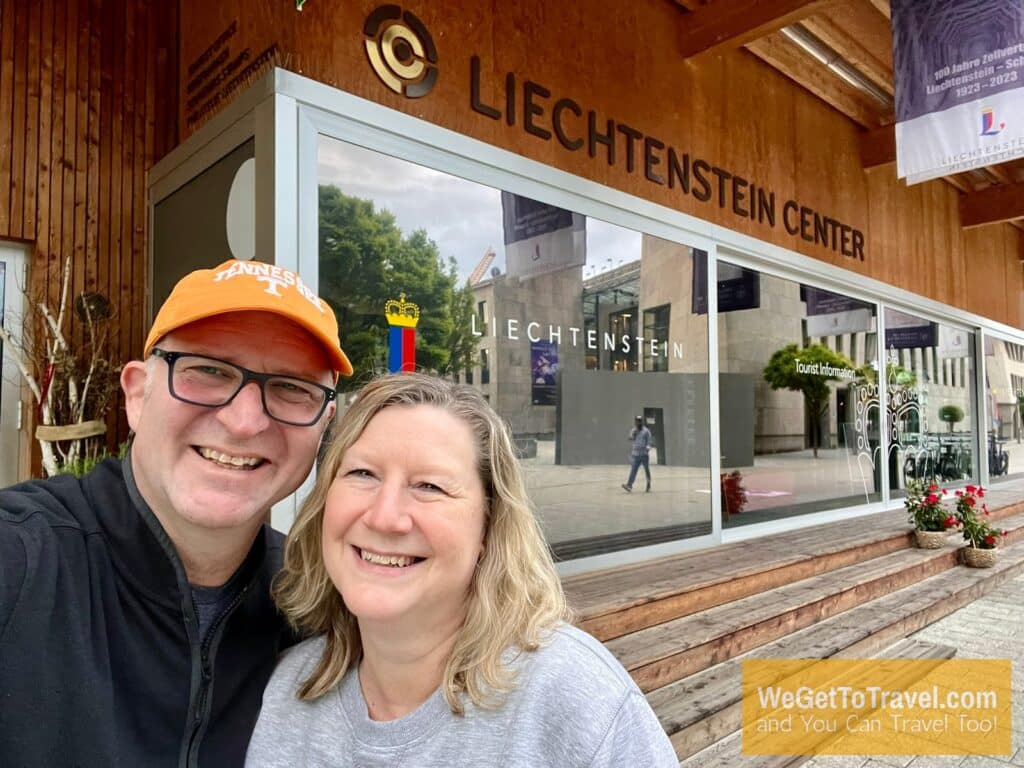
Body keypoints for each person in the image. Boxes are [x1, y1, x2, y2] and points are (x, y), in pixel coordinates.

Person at [0, 259, 352, 768]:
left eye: (292, 388)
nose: (244, 421)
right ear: (138, 394)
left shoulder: (319, 607)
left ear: (324, 425)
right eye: (209, 370)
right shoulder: (21, 560)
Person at [245, 373, 678, 767]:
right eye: (362, 473)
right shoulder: (288, 692)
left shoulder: (572, 699)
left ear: (488, 527)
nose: (384, 517)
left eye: (429, 486)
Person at [622, 414, 652, 493]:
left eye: (640, 421)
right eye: (637, 421)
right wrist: (633, 435)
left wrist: (648, 448)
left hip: (644, 454)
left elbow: (649, 442)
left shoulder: (646, 431)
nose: (638, 423)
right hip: (636, 454)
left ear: (642, 422)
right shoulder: (633, 430)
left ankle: (648, 484)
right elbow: (629, 437)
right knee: (633, 470)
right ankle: (629, 485)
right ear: (635, 422)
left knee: (646, 470)